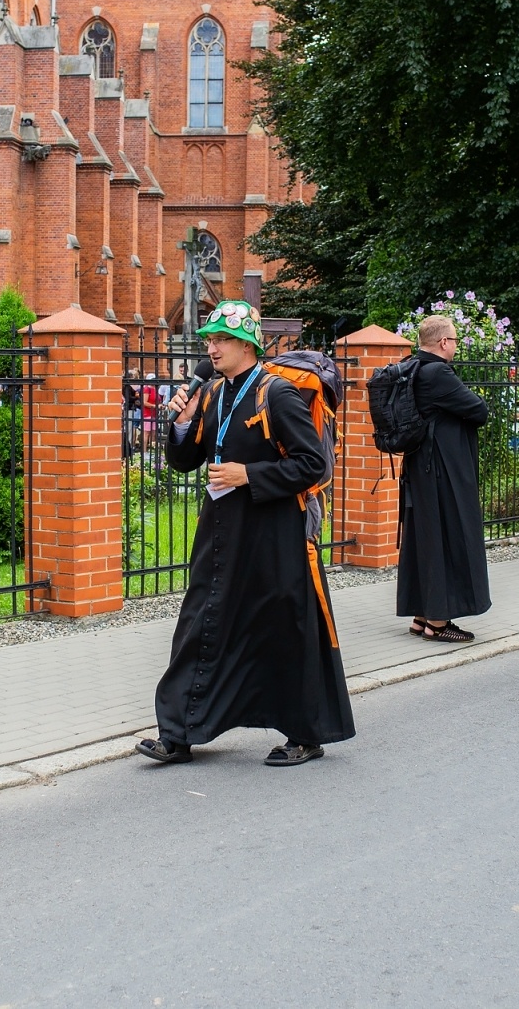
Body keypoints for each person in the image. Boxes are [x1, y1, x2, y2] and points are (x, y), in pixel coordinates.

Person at [137, 300, 354, 767]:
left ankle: (305, 734)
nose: (210, 348)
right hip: (221, 532)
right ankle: (179, 732)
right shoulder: (214, 393)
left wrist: (248, 474)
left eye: (220, 340)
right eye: (209, 341)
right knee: (201, 622)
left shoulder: (277, 394)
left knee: (284, 628)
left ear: (247, 345)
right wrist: (178, 423)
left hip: (274, 533)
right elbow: (187, 459)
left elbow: (313, 465)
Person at [396, 314, 491, 640]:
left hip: (420, 468)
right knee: (446, 539)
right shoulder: (438, 373)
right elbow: (478, 410)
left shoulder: (413, 367)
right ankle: (437, 624)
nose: (456, 344)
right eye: (454, 339)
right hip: (442, 471)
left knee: (425, 538)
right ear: (443, 342)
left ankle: (421, 614)